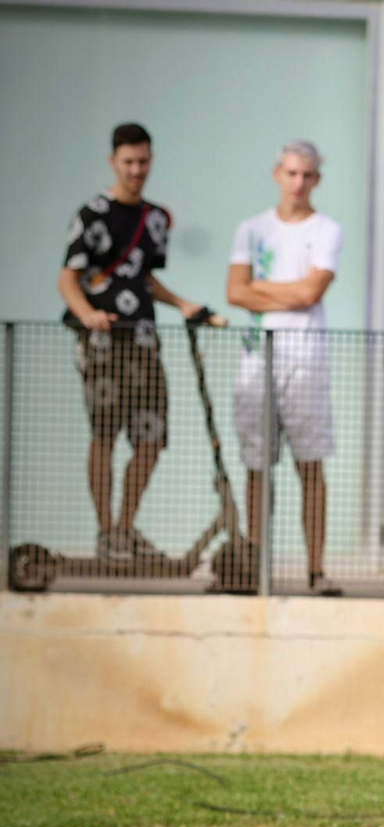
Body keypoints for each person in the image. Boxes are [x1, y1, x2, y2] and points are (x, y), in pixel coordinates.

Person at [58, 122, 204, 563]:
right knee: (104, 432)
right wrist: (87, 315)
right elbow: (68, 277)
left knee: (152, 437)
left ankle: (125, 527)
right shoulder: (91, 214)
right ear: (113, 162)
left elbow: (142, 277)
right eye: (128, 162)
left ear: (150, 161)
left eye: (143, 162)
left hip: (143, 338)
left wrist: (182, 304)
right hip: (102, 341)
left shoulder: (155, 218)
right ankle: (106, 531)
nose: (136, 170)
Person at [225, 140, 344, 595]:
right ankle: (257, 566)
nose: (298, 183)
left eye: (307, 175)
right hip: (257, 358)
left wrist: (262, 287)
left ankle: (315, 570)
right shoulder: (251, 229)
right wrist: (286, 290)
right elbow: (235, 292)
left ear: (316, 179)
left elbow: (310, 293)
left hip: (305, 360)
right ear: (278, 173)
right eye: (291, 173)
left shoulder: (327, 229)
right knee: (257, 466)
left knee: (310, 465)